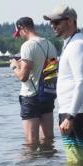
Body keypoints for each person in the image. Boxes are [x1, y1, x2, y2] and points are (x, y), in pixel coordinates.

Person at [44, 5, 83, 166]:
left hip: (78, 115)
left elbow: (82, 82)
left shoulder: (78, 45)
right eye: (51, 23)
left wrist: (70, 116)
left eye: (57, 22)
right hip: (72, 113)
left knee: (78, 165)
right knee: (76, 164)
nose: (53, 26)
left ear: (71, 21)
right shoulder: (70, 43)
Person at [10, 16, 58, 149]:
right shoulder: (50, 45)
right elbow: (51, 73)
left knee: (31, 142)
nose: (19, 36)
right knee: (48, 138)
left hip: (30, 97)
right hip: (47, 95)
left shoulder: (27, 46)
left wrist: (14, 66)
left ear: (22, 28)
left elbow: (23, 77)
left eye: (19, 33)